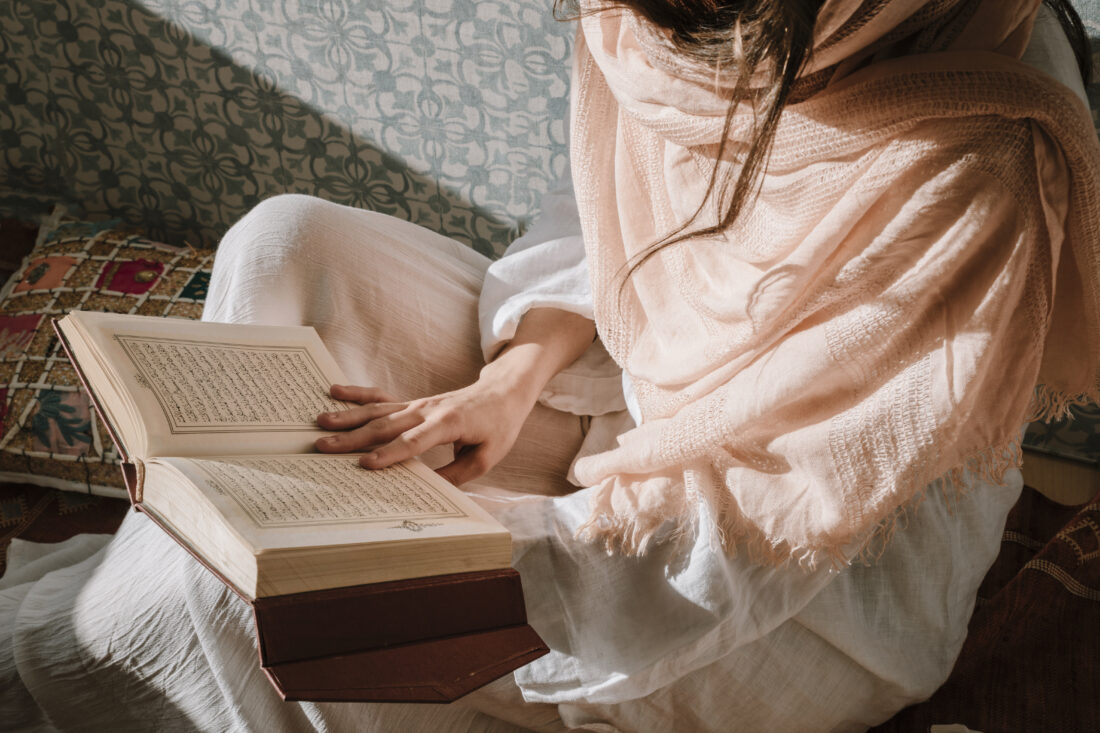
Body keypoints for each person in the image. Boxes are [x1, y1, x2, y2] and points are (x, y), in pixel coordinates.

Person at [2, 0, 1099, 731]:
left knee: (238, 596)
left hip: (796, 583)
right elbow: (611, 219)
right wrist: (507, 379)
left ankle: (111, 651)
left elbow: (764, 523)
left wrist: (423, 553)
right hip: (636, 390)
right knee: (284, 243)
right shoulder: (654, 25)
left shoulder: (976, 144)